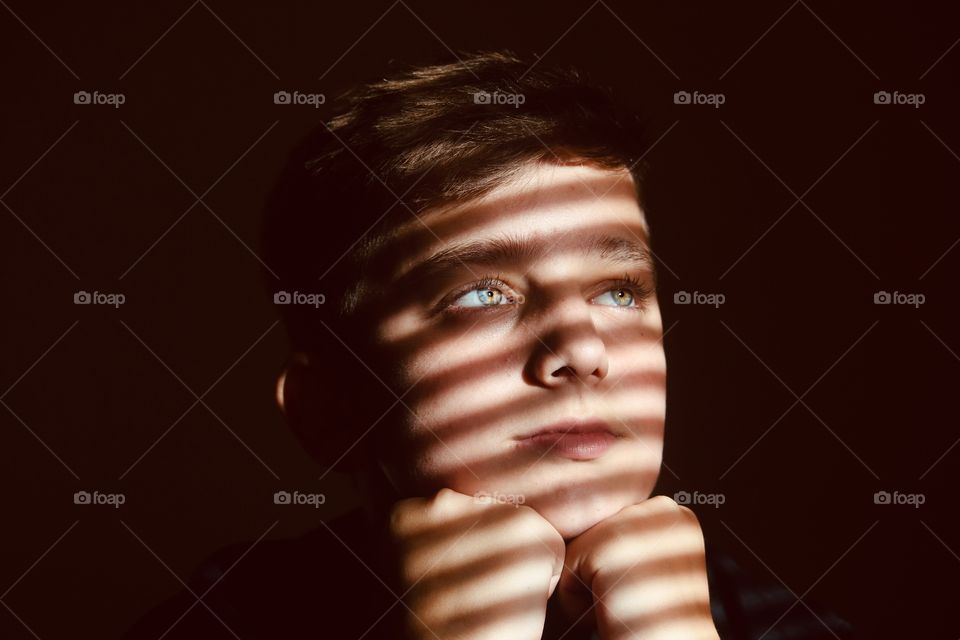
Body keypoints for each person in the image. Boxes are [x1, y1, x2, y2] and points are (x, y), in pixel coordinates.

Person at [126, 51, 852, 640]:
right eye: (481, 295)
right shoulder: (226, 620)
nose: (582, 347)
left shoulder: (786, 626)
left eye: (619, 291)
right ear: (329, 411)